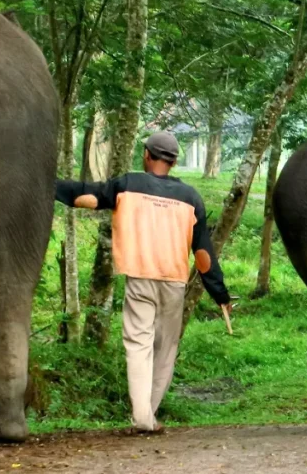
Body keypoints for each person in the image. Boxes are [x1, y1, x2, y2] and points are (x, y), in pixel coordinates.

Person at [54, 131, 232, 435]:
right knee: (166, 349)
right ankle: (148, 414)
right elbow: (203, 253)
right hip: (174, 282)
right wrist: (220, 294)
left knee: (138, 345)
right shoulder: (191, 198)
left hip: (140, 279)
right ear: (174, 161)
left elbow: (86, 196)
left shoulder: (127, 185)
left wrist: (49, 184)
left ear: (147, 155)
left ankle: (142, 417)